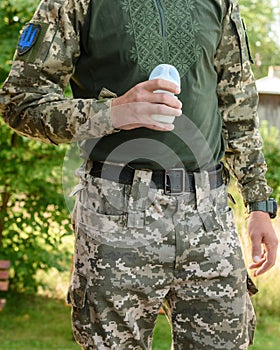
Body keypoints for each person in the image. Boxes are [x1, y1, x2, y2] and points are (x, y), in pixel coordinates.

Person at [0, 0, 278, 349]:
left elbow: (238, 108)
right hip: (113, 214)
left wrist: (258, 205)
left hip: (210, 217)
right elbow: (20, 102)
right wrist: (113, 112)